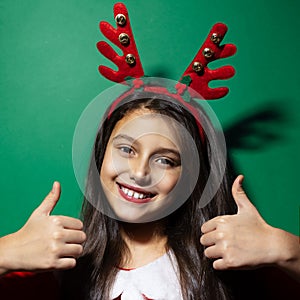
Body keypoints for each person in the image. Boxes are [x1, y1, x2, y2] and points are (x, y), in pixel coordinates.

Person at [0, 88, 300, 299]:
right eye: (127, 149)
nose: (140, 171)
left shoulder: (231, 265)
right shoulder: (59, 267)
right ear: (101, 156)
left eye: (165, 160)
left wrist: (286, 249)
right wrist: (6, 252)